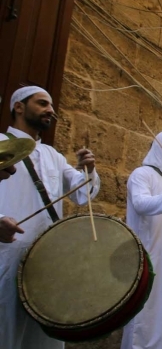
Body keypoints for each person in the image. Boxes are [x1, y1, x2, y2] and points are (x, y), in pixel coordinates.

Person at [0, 86, 100, 348]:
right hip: (7, 256)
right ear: (18, 107)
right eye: (42, 103)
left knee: (45, 338)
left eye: (52, 105)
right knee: (6, 330)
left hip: (47, 260)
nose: (51, 110)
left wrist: (89, 170)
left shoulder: (53, 156)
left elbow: (83, 194)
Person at [121, 130, 162, 349]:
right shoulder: (142, 175)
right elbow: (141, 204)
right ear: (159, 149)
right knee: (145, 318)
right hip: (150, 258)